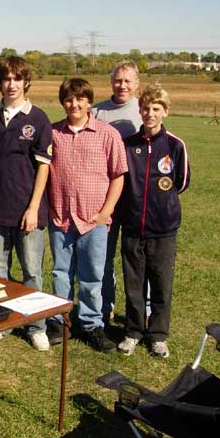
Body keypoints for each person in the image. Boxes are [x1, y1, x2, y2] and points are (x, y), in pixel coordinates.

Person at [0, 56, 53, 351]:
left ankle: (36, 325)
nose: (11, 84)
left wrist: (33, 208)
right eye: (6, 79)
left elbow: (43, 167)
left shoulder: (39, 118)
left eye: (17, 79)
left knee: (32, 270)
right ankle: (1, 324)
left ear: (26, 82)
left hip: (27, 211)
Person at [48, 78, 127, 353]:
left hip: (93, 220)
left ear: (89, 101)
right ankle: (60, 321)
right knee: (61, 273)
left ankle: (92, 324)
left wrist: (105, 213)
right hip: (61, 217)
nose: (74, 104)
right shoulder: (53, 133)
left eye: (80, 99)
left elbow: (118, 176)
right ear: (63, 103)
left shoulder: (107, 134)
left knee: (92, 276)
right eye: (69, 99)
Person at [117, 83, 190, 358]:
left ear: (165, 111)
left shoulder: (174, 145)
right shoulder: (128, 145)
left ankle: (158, 334)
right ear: (140, 110)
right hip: (133, 226)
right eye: (146, 108)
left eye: (156, 109)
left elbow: (181, 183)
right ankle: (133, 331)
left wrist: (162, 206)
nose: (150, 113)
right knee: (134, 282)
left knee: (161, 283)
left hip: (163, 229)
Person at [90, 61, 143, 325]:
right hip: (103, 199)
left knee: (137, 259)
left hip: (134, 199)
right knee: (103, 257)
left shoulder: (143, 111)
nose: (122, 85)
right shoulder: (97, 111)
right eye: (118, 80)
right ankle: (104, 307)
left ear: (137, 84)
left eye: (127, 81)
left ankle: (141, 314)